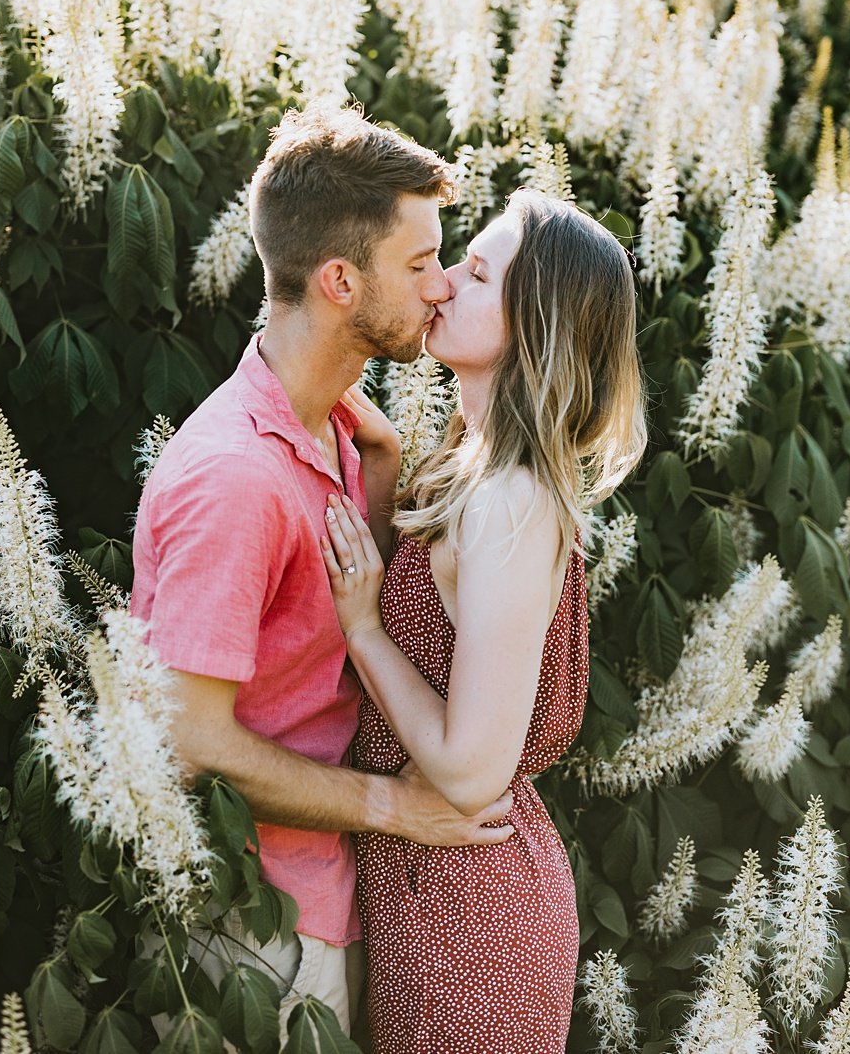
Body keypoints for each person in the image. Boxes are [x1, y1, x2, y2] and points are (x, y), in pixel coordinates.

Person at [129, 104, 516, 1042]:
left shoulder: (338, 430)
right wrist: (399, 810)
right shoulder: (234, 480)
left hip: (327, 894)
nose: (439, 287)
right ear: (341, 280)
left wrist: (377, 471)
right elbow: (192, 745)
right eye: (419, 263)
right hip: (251, 924)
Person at [321, 189, 648, 1054]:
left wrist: (363, 631)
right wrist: (385, 463)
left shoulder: (512, 501)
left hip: (473, 917)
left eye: (476, 271)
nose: (443, 285)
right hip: (435, 889)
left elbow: (471, 772)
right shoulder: (477, 472)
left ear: (532, 324)